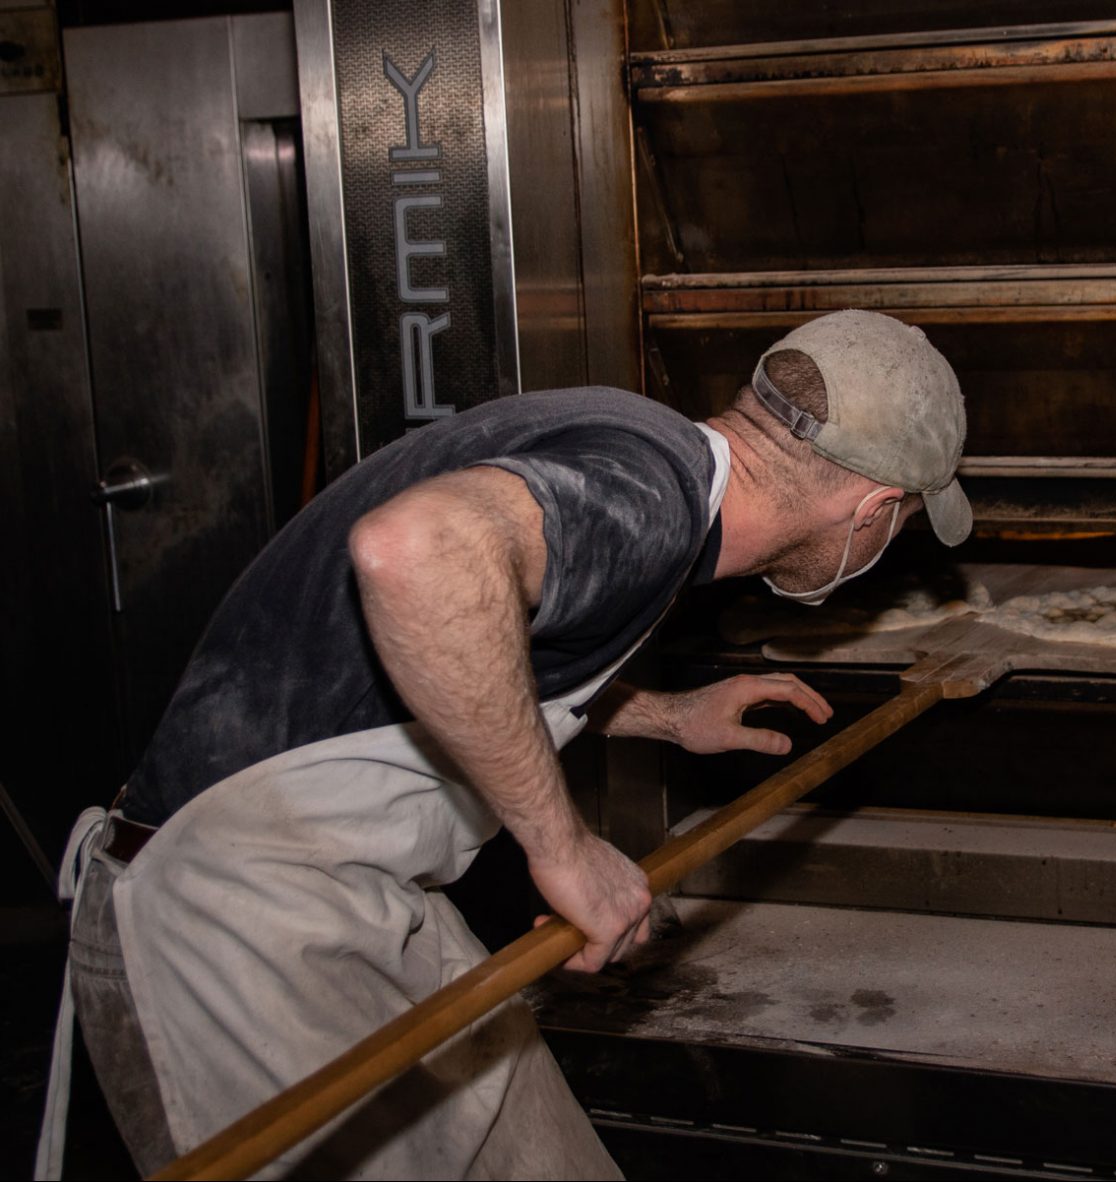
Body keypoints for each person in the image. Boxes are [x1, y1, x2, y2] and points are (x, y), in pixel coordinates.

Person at [46, 309, 971, 1180]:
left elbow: (476, 649)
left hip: (348, 893)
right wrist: (562, 848)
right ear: (870, 509)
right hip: (227, 922)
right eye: (902, 522)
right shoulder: (652, 497)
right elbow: (416, 553)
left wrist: (665, 713)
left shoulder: (650, 454)